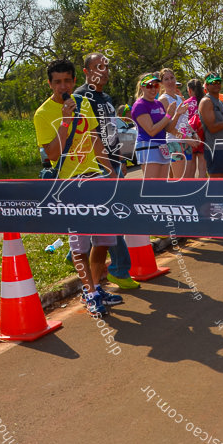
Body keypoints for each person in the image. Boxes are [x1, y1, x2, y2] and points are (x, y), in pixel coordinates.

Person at [34, 59, 119, 317]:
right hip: (68, 186)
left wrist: (110, 171)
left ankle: (92, 288)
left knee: (103, 240)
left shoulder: (84, 104)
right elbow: (50, 154)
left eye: (67, 81)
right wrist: (64, 122)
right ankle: (91, 293)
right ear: (50, 84)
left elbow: (94, 140)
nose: (63, 86)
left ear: (74, 81)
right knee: (79, 246)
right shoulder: (43, 114)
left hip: (95, 178)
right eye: (57, 82)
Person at [76, 52, 139, 292]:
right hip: (97, 168)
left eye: (105, 66)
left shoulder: (106, 97)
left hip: (114, 163)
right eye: (97, 67)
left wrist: (121, 158)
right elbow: (87, 136)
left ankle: (79, 257)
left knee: (110, 220)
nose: (103, 71)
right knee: (112, 219)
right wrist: (105, 166)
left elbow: (112, 129)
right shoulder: (81, 97)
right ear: (86, 71)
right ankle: (119, 269)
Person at [131, 72, 183, 181]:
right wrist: (168, 115)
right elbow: (151, 130)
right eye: (149, 86)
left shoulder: (158, 104)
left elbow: (167, 128)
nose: (153, 89)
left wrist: (177, 114)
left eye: (156, 85)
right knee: (152, 187)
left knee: (161, 186)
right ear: (142, 87)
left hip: (162, 147)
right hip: (148, 147)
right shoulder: (140, 105)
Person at [159, 68, 200, 180]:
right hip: (175, 142)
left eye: (172, 78)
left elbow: (184, 121)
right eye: (166, 79)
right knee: (180, 180)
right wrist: (186, 138)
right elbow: (168, 128)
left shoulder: (179, 98)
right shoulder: (163, 99)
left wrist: (193, 133)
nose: (170, 81)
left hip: (186, 141)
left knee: (189, 178)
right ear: (162, 83)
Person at [184, 79, 207, 178]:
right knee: (202, 166)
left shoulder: (185, 104)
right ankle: (202, 187)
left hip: (190, 136)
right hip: (203, 135)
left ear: (189, 90)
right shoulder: (205, 101)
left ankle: (192, 188)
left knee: (191, 165)